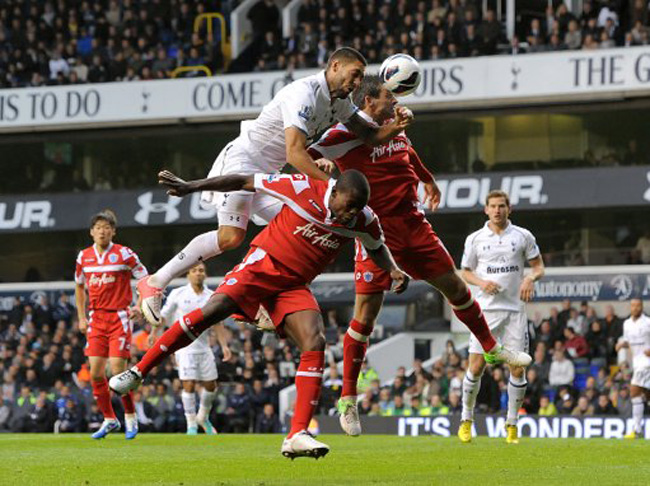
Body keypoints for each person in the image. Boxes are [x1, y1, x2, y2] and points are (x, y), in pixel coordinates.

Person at [111, 168, 410, 459]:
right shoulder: (301, 188)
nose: (350, 215)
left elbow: (377, 247)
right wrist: (192, 187)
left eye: (357, 209)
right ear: (335, 192)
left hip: (293, 285)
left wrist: (393, 269)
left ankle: (297, 434)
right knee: (212, 311)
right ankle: (139, 372)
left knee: (315, 341)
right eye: (347, 207)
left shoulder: (364, 219)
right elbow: (242, 180)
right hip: (262, 266)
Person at [307, 75, 532, 437]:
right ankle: (348, 398)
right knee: (365, 318)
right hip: (376, 235)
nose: (394, 103)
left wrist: (427, 179)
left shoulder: (396, 125)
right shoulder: (345, 134)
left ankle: (491, 349)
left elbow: (407, 154)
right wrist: (323, 169)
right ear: (367, 102)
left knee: (457, 290)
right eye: (386, 98)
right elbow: (307, 154)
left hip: (415, 228)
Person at [136, 47, 413, 328]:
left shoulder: (338, 102)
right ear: (335, 66)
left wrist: (398, 126)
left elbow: (368, 135)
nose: (356, 83)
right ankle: (155, 281)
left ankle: (256, 298)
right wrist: (331, 188)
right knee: (231, 237)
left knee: (292, 229)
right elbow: (295, 154)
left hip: (268, 172)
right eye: (354, 76)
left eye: (360, 78)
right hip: (243, 161)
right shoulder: (303, 93)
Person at [457, 190, 545, 444]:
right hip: (485, 311)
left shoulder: (523, 236)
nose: (497, 210)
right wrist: (482, 283)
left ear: (509, 208)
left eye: (501, 206)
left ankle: (512, 424)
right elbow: (465, 272)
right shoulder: (475, 239)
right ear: (486, 209)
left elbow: (538, 266)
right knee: (476, 366)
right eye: (493, 206)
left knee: (518, 368)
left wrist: (529, 277)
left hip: (515, 311)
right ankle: (466, 420)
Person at [75, 209, 148, 439]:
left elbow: (145, 278)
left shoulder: (125, 254)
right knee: (96, 373)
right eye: (98, 227)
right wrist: (81, 316)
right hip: (96, 319)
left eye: (106, 227)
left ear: (113, 231)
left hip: (119, 317)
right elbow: (79, 286)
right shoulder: (83, 257)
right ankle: (109, 420)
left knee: (117, 372)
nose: (102, 231)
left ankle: (130, 417)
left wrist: (140, 305)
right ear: (91, 232)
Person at [152, 262, 232, 435]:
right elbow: (164, 317)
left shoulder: (212, 296)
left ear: (205, 274)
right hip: (184, 347)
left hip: (204, 347)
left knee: (211, 386)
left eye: (201, 270)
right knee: (188, 385)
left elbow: (218, 323)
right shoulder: (178, 293)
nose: (198, 273)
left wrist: (224, 346)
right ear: (188, 275)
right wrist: (154, 333)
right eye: (194, 270)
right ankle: (191, 424)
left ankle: (203, 417)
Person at [615, 298, 650, 439]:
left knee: (634, 391)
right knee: (646, 397)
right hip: (637, 363)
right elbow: (629, 343)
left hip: (647, 363)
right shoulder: (627, 324)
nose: (635, 308)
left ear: (641, 307)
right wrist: (621, 345)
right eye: (633, 305)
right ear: (630, 307)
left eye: (638, 305)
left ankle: (637, 430)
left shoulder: (648, 322)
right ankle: (638, 430)